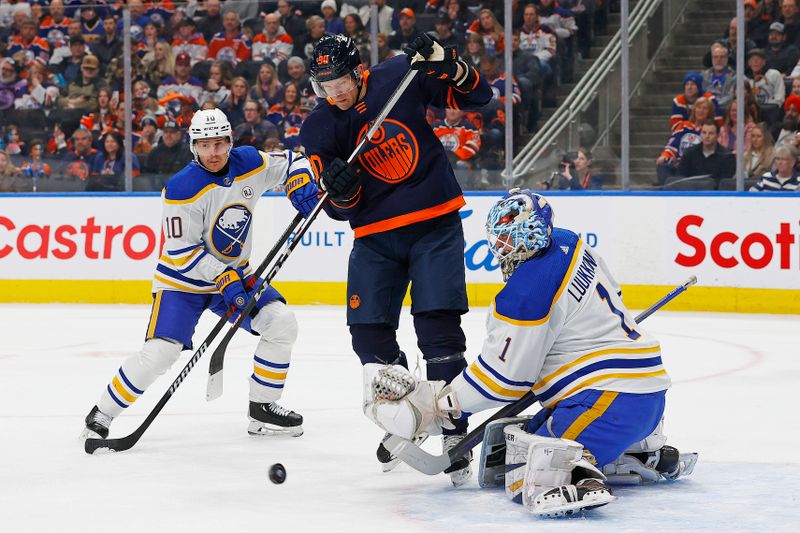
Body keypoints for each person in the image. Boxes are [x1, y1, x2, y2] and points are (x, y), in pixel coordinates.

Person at [363, 189, 696, 517]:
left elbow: (505, 380)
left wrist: (444, 403)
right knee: (522, 434)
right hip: (646, 396)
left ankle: (581, 474)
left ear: (526, 236)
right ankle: (639, 453)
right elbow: (614, 293)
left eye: (506, 239)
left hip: (607, 402)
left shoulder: (526, 291)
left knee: (526, 465)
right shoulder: (569, 241)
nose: (499, 249)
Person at [300, 33, 491, 486]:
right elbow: (335, 208)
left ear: (359, 70)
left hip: (434, 225)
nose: (336, 92)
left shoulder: (400, 75)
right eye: (325, 85)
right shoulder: (318, 129)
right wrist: (342, 191)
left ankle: (452, 431)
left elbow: (478, 97)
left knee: (439, 331)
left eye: (341, 80)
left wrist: (448, 62)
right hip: (375, 239)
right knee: (367, 337)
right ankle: (410, 410)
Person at [80, 108, 320, 442]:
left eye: (220, 143)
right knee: (161, 352)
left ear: (229, 141)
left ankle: (262, 407)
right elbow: (181, 251)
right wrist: (223, 276)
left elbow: (295, 160)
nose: (213, 153)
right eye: (205, 145)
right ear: (194, 146)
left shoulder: (249, 162)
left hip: (235, 275)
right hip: (183, 283)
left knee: (281, 323)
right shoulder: (181, 187)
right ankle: (102, 412)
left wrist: (299, 180)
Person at [677, 120, 736, 186]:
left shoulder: (727, 156)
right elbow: (681, 178)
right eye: (704, 133)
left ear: (718, 135)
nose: (707, 136)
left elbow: (724, 183)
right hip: (691, 192)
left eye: (711, 133)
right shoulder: (689, 153)